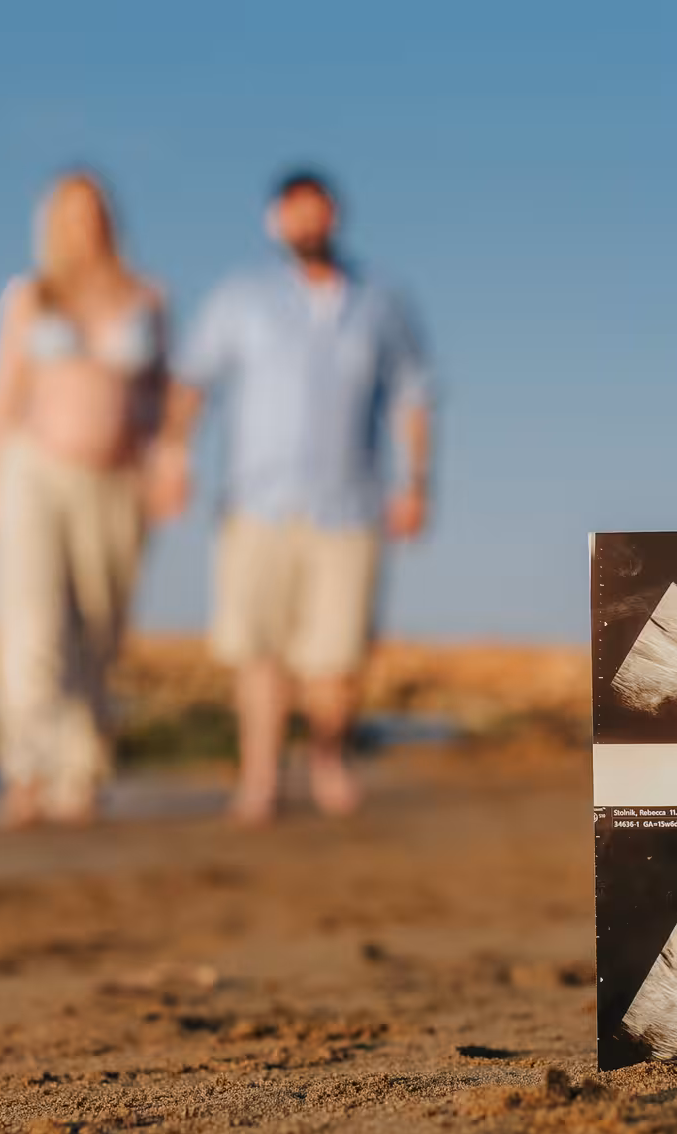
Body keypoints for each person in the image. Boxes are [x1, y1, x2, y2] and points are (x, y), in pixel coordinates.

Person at [147, 168, 435, 824]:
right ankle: (259, 777)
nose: (309, 224)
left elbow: (413, 396)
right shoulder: (239, 298)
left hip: (351, 505)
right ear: (276, 221)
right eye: (295, 213)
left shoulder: (383, 302)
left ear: (336, 216)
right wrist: (172, 456)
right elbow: (192, 381)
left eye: (320, 211)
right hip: (257, 504)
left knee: (338, 658)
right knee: (258, 649)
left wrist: (416, 483)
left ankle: (328, 757)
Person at [0, 170, 168, 828]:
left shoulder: (148, 299)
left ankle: (81, 773)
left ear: (111, 218)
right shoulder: (30, 297)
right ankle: (25, 770)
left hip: (115, 482)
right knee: (29, 624)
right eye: (71, 213)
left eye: (95, 211)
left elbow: (161, 402)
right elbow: (1, 390)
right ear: (54, 223)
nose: (85, 224)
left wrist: (164, 467)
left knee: (99, 630)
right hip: (33, 471)